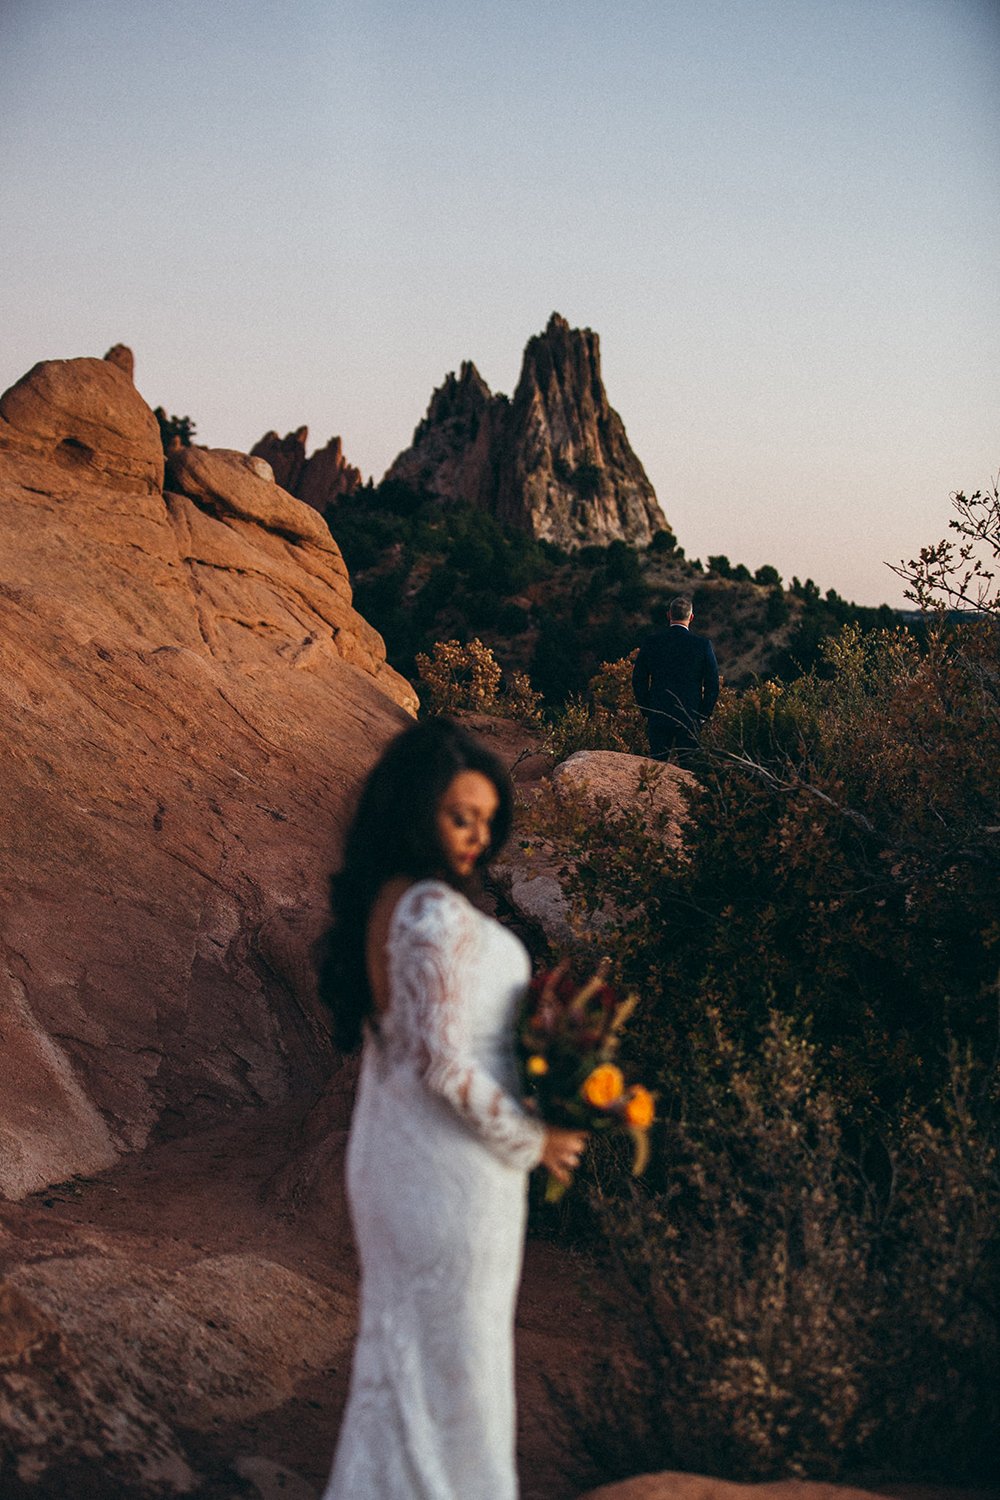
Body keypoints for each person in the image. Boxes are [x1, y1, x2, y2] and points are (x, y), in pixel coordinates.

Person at [318, 717, 586, 1500]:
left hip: (403, 1155)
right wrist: (534, 1138)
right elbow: (442, 1062)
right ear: (413, 811)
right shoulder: (431, 913)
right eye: (457, 817)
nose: (477, 836)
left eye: (486, 821)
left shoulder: (387, 903)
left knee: (409, 1360)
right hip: (449, 1172)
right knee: (458, 1366)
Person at [631, 595, 720, 759]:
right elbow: (712, 684)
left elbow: (638, 679)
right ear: (691, 617)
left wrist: (647, 709)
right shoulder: (702, 645)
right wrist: (702, 715)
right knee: (689, 771)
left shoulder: (652, 642)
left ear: (668, 615)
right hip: (689, 716)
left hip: (658, 713)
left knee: (656, 770)